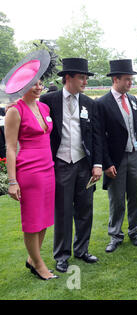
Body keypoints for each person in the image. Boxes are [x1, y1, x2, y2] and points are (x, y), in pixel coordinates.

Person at [40, 58, 102, 273]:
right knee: (63, 212)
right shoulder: (48, 100)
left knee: (85, 209)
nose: (85, 81)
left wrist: (97, 164)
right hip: (60, 164)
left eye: (86, 78)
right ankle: (62, 255)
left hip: (84, 165)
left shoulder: (89, 103)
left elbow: (96, 137)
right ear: (68, 78)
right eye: (82, 77)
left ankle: (82, 250)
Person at [2, 50, 58, 280]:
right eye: (33, 83)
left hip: (48, 168)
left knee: (44, 217)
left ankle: (32, 258)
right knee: (32, 219)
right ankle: (38, 265)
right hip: (29, 172)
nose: (38, 86)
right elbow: (10, 148)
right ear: (22, 85)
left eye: (40, 82)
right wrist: (12, 181)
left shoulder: (44, 107)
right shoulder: (15, 111)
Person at [97, 59, 137, 253]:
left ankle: (135, 231)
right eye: (127, 79)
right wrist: (107, 163)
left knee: (136, 197)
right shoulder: (102, 103)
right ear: (115, 79)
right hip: (116, 160)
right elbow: (99, 137)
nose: (130, 83)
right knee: (116, 200)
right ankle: (115, 235)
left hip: (135, 156)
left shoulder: (133, 100)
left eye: (131, 79)